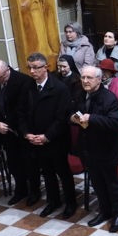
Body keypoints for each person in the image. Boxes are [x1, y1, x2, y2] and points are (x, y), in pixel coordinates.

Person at [17, 53, 76, 219]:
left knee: (63, 173)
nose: (32, 71)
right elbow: (20, 113)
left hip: (56, 140)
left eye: (36, 67)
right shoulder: (27, 86)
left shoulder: (59, 88)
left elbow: (62, 118)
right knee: (47, 173)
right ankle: (53, 201)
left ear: (46, 67)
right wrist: (26, 133)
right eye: (29, 68)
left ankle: (70, 203)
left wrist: (47, 136)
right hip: (35, 139)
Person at [72, 65, 118, 233]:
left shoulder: (109, 98)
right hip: (88, 148)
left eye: (89, 78)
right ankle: (105, 211)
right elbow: (74, 112)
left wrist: (92, 118)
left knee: (112, 184)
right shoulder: (80, 94)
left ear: (99, 79)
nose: (85, 81)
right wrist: (73, 118)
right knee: (97, 183)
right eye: (83, 77)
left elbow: (116, 123)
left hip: (106, 149)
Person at [0, 60, 36, 205]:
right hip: (3, 131)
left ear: (7, 71)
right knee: (13, 163)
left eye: (0, 77)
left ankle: (34, 191)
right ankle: (21, 189)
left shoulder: (23, 81)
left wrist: (10, 124)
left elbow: (22, 108)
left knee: (29, 162)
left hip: (20, 129)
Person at [98, 58, 118, 123]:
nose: (103, 73)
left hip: (116, 121)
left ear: (112, 72)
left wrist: (114, 120)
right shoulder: (97, 83)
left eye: (106, 71)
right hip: (99, 120)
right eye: (101, 71)